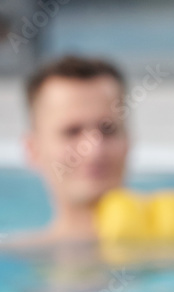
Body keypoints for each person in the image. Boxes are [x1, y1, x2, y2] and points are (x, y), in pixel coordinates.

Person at [16, 55, 129, 246]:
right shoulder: (13, 259)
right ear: (33, 150)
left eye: (108, 130)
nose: (94, 151)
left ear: (129, 141)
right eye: (72, 132)